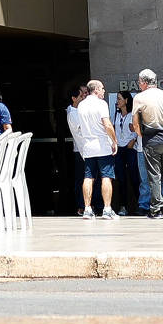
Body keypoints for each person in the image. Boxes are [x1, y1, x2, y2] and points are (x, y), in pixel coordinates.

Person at [133, 69, 163, 219]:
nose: (139, 85)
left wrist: (143, 135)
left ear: (144, 82)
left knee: (154, 176)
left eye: (139, 82)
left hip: (151, 139)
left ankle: (156, 210)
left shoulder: (140, 97)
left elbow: (135, 124)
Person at [68, 81, 114, 220]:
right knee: (106, 176)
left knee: (88, 177)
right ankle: (107, 209)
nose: (104, 91)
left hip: (88, 146)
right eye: (102, 89)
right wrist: (114, 140)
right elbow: (107, 124)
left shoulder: (81, 105)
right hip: (102, 145)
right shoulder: (101, 104)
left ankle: (87, 209)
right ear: (97, 89)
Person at [112, 91, 142, 215]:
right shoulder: (116, 115)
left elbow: (137, 128)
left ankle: (141, 204)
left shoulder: (132, 114)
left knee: (134, 177)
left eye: (119, 99)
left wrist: (133, 139)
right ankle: (123, 206)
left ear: (126, 100)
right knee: (121, 179)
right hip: (119, 149)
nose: (117, 101)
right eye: (117, 99)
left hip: (130, 148)